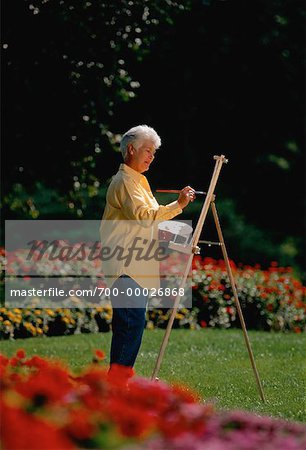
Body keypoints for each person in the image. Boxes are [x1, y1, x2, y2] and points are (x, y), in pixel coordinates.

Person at [99, 124, 195, 372]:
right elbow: (144, 217)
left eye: (154, 152)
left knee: (131, 325)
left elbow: (148, 225)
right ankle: (117, 386)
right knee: (130, 324)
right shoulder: (126, 182)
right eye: (148, 150)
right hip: (125, 266)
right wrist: (178, 205)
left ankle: (118, 384)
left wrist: (182, 237)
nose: (152, 156)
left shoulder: (140, 182)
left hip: (135, 266)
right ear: (131, 149)